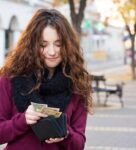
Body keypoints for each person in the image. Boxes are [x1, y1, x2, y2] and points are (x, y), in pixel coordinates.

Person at [0, 9, 92, 150]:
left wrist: (65, 133)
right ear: (32, 45)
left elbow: (79, 144)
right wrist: (23, 120)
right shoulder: (10, 78)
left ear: (67, 45)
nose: (52, 52)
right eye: (43, 45)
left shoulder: (77, 84)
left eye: (58, 44)